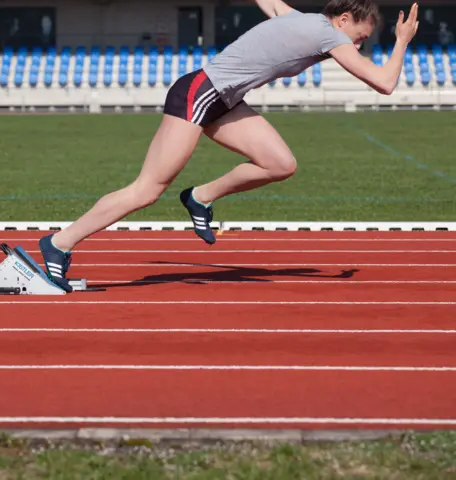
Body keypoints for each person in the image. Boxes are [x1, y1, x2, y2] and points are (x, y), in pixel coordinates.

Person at [38, 0, 420, 292]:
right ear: (344, 20)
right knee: (147, 189)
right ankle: (59, 243)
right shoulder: (329, 34)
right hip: (200, 94)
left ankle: (200, 196)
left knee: (279, 163)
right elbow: (385, 83)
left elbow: (270, 2)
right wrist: (402, 41)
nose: (360, 44)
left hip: (223, 101)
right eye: (362, 36)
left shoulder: (297, 17)